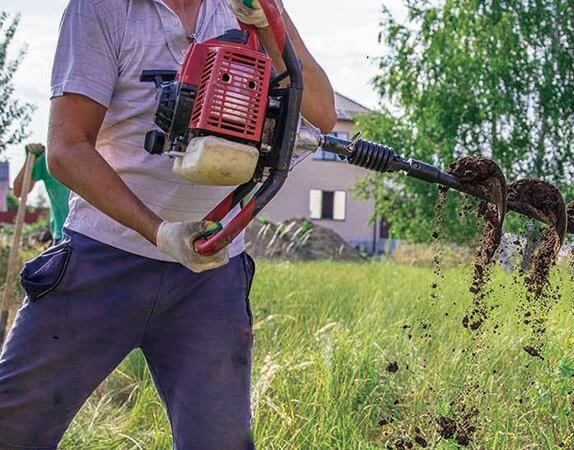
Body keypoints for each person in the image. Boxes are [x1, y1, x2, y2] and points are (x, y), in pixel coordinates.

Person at [0, 0, 336, 448]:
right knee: (13, 425)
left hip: (210, 273)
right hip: (102, 257)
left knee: (219, 442)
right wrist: (158, 230)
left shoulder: (249, 7)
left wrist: (272, 30)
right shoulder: (101, 9)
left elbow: (321, 114)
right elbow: (67, 148)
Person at [12, 143, 71, 242]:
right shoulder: (49, 157)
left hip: (96, 234)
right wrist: (30, 161)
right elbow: (19, 191)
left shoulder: (98, 151)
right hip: (63, 234)